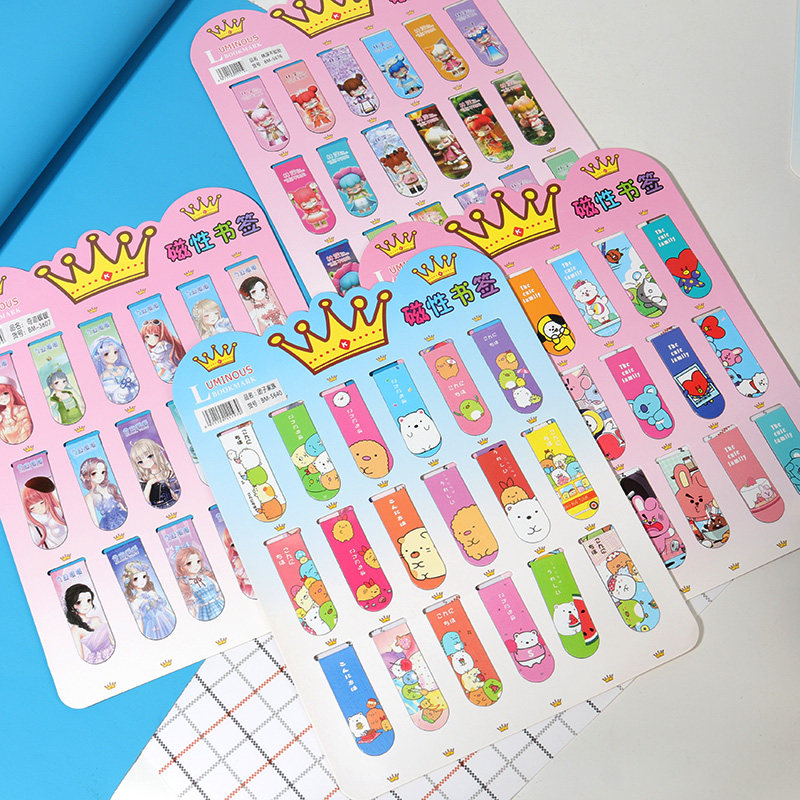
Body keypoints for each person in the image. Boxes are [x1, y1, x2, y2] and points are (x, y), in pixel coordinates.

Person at [121, 561, 176, 640]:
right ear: (130, 582)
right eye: (136, 579)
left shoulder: (152, 593)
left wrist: (173, 615)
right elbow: (139, 620)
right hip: (152, 626)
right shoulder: (135, 602)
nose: (141, 581)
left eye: (144, 576)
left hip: (166, 619)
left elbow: (164, 608)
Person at [64, 583, 115, 664]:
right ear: (72, 606)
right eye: (79, 602)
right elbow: (80, 656)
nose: (86, 605)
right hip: (99, 659)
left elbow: (111, 637)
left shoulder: (96, 619)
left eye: (88, 600)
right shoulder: (75, 630)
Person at [174, 546, 225, 621]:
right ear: (182, 567)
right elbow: (191, 606)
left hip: (220, 604)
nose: (195, 565)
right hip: (205, 611)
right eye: (189, 563)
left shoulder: (207, 576)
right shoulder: (186, 584)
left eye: (198, 561)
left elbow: (219, 590)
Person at [128, 438, 181, 509]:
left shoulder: (169, 473)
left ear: (156, 452)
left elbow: (177, 492)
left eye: (149, 456)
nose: (146, 462)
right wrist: (150, 483)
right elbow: (145, 499)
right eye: (140, 462)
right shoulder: (144, 480)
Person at [79, 456, 128, 530]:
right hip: (109, 525)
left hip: (124, 516)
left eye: (102, 472)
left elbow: (121, 505)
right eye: (94, 473)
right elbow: (94, 521)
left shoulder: (110, 487)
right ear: (86, 476)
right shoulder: (89, 497)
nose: (100, 476)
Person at [21, 477, 67, 549]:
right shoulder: (34, 528)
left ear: (48, 498)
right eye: (32, 508)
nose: (39, 509)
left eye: (42, 503)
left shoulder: (59, 512)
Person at [90, 336, 139, 404]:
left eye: (115, 352)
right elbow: (111, 393)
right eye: (106, 354)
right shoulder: (105, 375)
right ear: (99, 357)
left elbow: (135, 379)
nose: (112, 356)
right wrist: (122, 392)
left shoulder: (123, 368)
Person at [0, 374, 32, 444]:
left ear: (11, 392)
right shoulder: (1, 417)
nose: (2, 398)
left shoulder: (23, 410)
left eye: (5, 393)